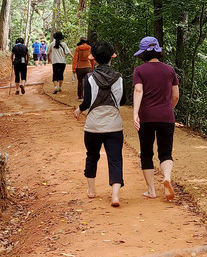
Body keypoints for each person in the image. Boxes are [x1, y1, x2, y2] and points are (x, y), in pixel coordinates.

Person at [74, 41, 126, 207]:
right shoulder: (119, 77)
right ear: (112, 57)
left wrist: (79, 109)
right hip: (114, 125)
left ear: (93, 58)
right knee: (115, 159)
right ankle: (115, 195)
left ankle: (91, 190)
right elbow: (123, 100)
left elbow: (87, 101)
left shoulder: (90, 77)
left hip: (93, 126)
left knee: (92, 156)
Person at [132, 36, 179, 200]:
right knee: (165, 152)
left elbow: (138, 91)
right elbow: (176, 95)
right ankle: (166, 177)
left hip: (146, 117)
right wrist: (168, 109)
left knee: (146, 153)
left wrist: (135, 113)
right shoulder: (169, 70)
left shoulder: (139, 71)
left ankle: (151, 190)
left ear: (143, 54)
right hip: (166, 116)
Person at [71, 37, 94, 101]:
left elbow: (75, 59)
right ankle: (88, 96)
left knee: (80, 82)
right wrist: (92, 67)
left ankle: (80, 97)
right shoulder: (89, 48)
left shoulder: (78, 49)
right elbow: (92, 59)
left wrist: (73, 69)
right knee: (88, 82)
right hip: (88, 67)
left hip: (79, 67)